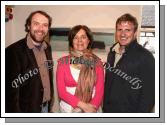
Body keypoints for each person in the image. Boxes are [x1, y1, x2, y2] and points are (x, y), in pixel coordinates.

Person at [103, 13, 155, 113]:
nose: (123, 34)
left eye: (127, 30)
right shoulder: (112, 53)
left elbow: (149, 95)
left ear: (135, 33)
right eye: (120, 30)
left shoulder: (146, 57)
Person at [5, 10, 54, 113]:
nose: (41, 29)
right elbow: (10, 93)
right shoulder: (13, 52)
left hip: (46, 107)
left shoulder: (47, 47)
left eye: (45, 25)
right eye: (36, 24)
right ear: (28, 26)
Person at [56, 25, 104, 113]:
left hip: (92, 110)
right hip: (68, 110)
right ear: (71, 41)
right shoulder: (62, 62)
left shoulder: (97, 63)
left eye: (83, 37)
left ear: (88, 40)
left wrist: (90, 109)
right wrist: (83, 106)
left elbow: (100, 91)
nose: (80, 41)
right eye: (75, 38)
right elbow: (61, 92)